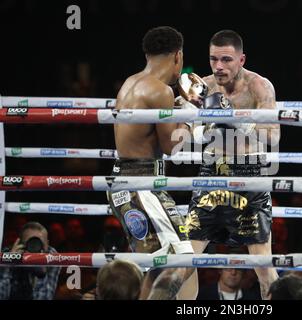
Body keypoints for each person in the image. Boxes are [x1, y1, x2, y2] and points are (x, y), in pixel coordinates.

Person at [181, 30, 281, 300]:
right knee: (185, 261)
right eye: (214, 59)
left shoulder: (259, 87)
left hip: (249, 174)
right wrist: (192, 119)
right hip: (212, 171)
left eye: (226, 59)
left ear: (242, 59)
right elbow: (184, 136)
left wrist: (237, 119)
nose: (219, 66)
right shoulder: (202, 87)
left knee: (262, 266)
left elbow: (273, 135)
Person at [106, 26, 197, 300]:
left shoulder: (131, 81)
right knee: (180, 262)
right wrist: (192, 113)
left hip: (131, 184)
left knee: (157, 268)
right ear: (178, 56)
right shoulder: (160, 91)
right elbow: (171, 147)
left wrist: (180, 110)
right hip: (141, 187)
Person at [0, 222, 61, 300]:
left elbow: (44, 298)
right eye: (31, 243)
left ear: (47, 244)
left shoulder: (52, 256)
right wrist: (9, 265)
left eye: (40, 243)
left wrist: (40, 273)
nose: (36, 247)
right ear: (20, 244)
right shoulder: (7, 255)